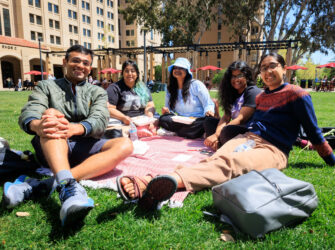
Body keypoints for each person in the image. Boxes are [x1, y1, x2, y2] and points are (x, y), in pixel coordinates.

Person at [116, 52, 335, 211]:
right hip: (249, 138)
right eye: (263, 68)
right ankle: (161, 180)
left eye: (272, 66)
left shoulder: (298, 94)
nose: (267, 71)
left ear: (284, 68)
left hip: (273, 150)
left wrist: (333, 162)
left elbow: (314, 132)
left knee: (231, 165)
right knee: (218, 157)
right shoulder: (263, 96)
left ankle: (161, 183)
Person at [2, 45, 133, 227]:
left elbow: (100, 118)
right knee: (51, 117)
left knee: (125, 144)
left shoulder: (97, 91)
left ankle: (45, 184)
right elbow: (31, 110)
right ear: (65, 62)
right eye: (75, 61)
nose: (80, 65)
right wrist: (38, 125)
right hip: (51, 144)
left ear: (90, 67)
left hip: (84, 145)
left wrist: (76, 128)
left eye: (85, 63)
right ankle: (69, 191)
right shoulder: (46, 86)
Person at [203, 61, 262, 151]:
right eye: (233, 76)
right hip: (233, 128)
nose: (236, 79)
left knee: (227, 131)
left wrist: (217, 134)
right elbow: (226, 118)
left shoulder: (252, 92)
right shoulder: (231, 93)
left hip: (247, 131)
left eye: (239, 75)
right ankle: (220, 144)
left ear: (247, 76)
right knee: (209, 121)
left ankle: (220, 143)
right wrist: (217, 133)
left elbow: (240, 119)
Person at [158, 57, 215, 139]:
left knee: (207, 122)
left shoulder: (196, 85)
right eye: (175, 68)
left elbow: (208, 103)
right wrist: (167, 111)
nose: (177, 70)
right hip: (180, 120)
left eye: (181, 68)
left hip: (197, 121)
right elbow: (170, 111)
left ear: (187, 71)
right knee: (163, 119)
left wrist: (208, 111)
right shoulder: (170, 88)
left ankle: (180, 131)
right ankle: (191, 133)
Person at [106, 60, 157, 134]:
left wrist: (149, 117)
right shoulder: (114, 88)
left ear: (137, 74)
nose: (130, 74)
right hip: (121, 120)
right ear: (122, 73)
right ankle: (137, 131)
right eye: (126, 71)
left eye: (132, 71)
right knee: (111, 126)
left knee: (159, 119)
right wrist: (124, 118)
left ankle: (135, 131)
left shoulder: (143, 88)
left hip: (141, 118)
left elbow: (150, 105)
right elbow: (109, 108)